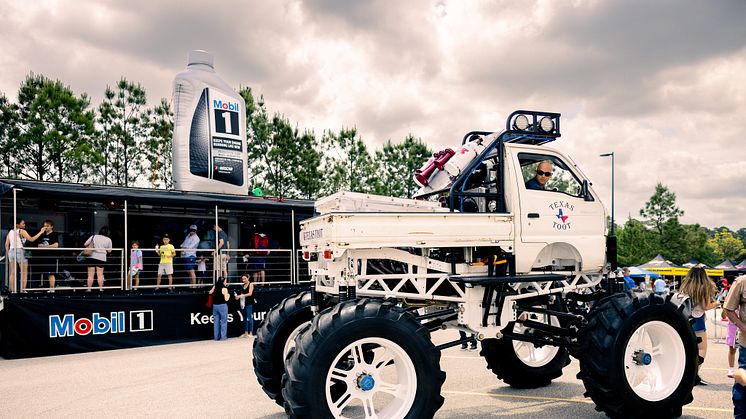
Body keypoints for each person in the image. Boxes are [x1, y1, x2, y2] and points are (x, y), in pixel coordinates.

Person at [679, 266, 719, 386]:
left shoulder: (685, 287)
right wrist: (716, 304)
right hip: (698, 320)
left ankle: (683, 374)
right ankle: (693, 375)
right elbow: (705, 306)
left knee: (687, 349)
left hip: (685, 319)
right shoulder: (704, 288)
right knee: (701, 349)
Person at [725, 275, 746, 416]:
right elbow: (728, 308)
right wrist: (743, 326)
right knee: (743, 383)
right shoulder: (742, 282)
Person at [4, 219, 44, 293]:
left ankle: (13, 291)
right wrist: (41, 232)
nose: (24, 224)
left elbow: (6, 244)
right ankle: (23, 290)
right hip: (20, 251)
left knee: (13, 272)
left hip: (11, 251)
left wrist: (9, 253)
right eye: (23, 223)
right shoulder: (21, 231)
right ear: (17, 225)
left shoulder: (10, 232)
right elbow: (31, 239)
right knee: (24, 273)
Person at [84, 226, 113, 292]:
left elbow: (85, 244)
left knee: (90, 274)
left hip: (91, 257)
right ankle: (100, 289)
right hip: (101, 258)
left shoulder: (94, 236)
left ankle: (89, 289)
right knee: (100, 274)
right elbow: (109, 251)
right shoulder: (108, 239)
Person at [35, 219, 59, 292]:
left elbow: (56, 245)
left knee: (51, 273)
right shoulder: (42, 235)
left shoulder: (54, 234)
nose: (46, 227)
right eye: (44, 226)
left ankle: (52, 289)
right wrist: (40, 245)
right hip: (43, 256)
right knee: (47, 274)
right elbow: (39, 245)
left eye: (47, 226)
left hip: (51, 256)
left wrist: (45, 247)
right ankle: (50, 288)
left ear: (52, 226)